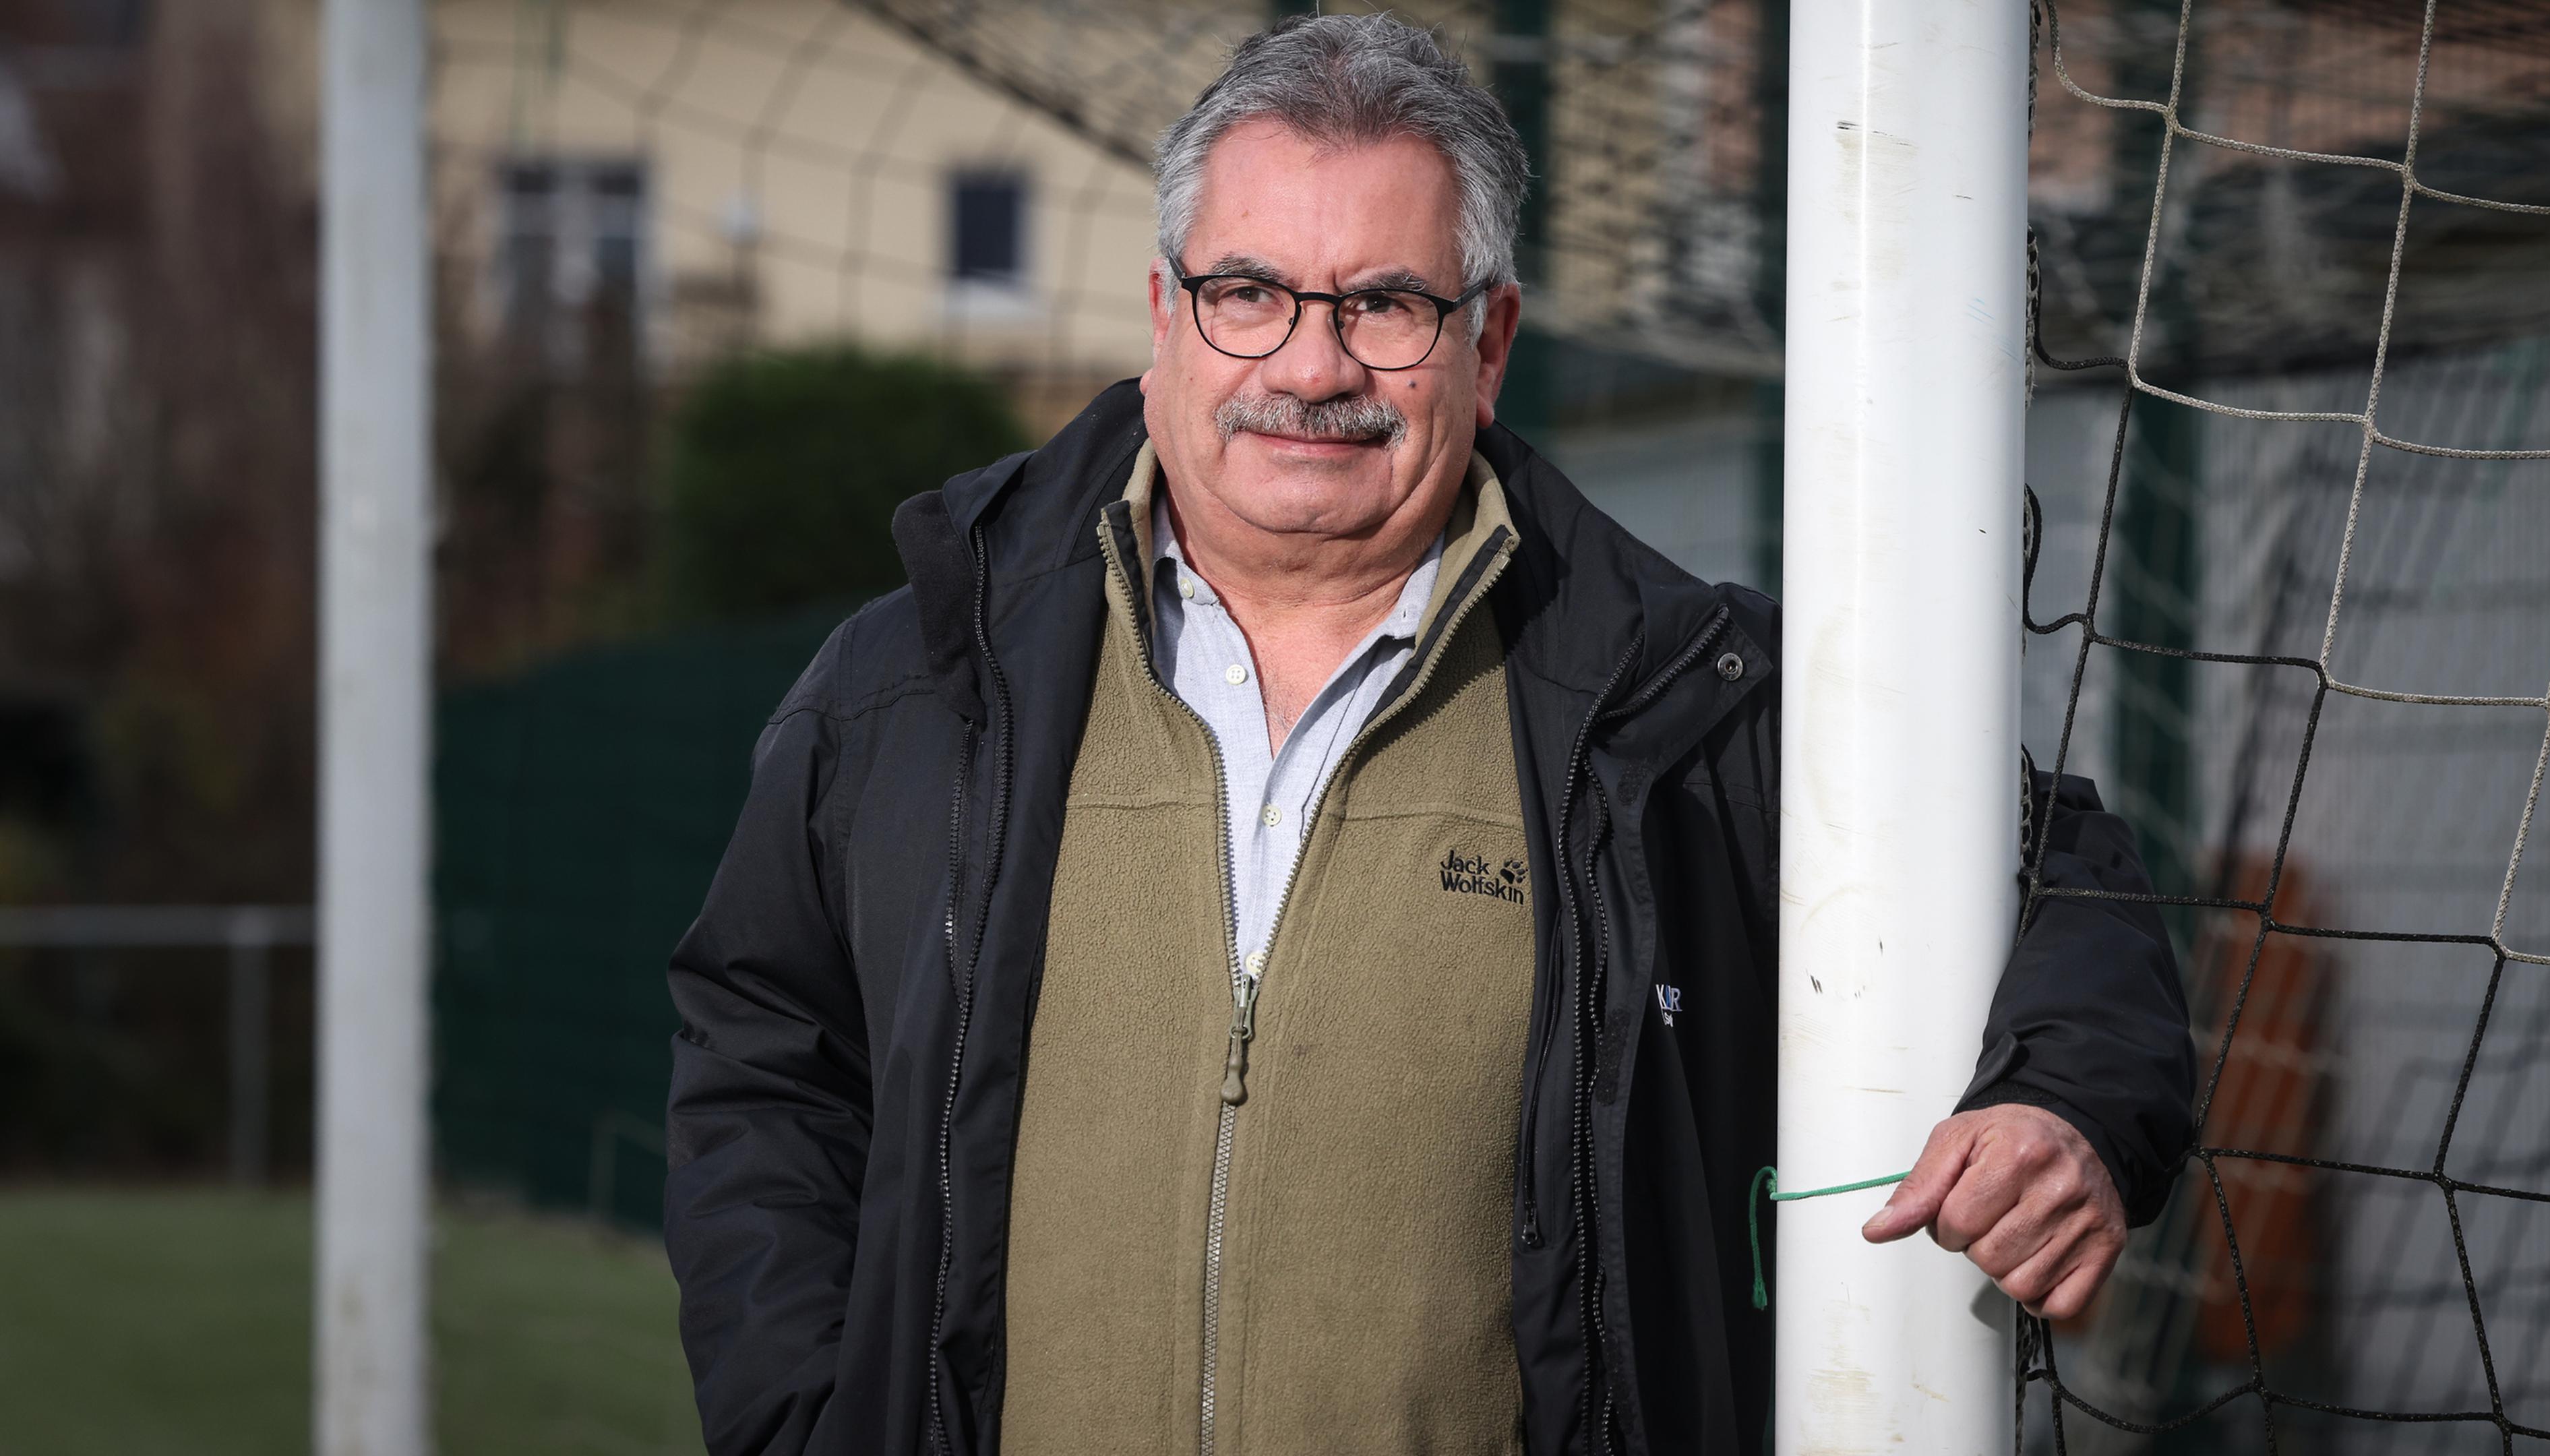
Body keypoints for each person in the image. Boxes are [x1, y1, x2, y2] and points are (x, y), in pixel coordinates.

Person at [663, 14, 2194, 1455]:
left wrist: (2069, 1104)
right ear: (1162, 319)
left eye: (1385, 305)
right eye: (1247, 293)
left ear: (1490, 340)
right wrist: (806, 1415)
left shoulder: (1679, 694)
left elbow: (2061, 871)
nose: (1312, 367)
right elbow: (764, 1051)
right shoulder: (919, 680)